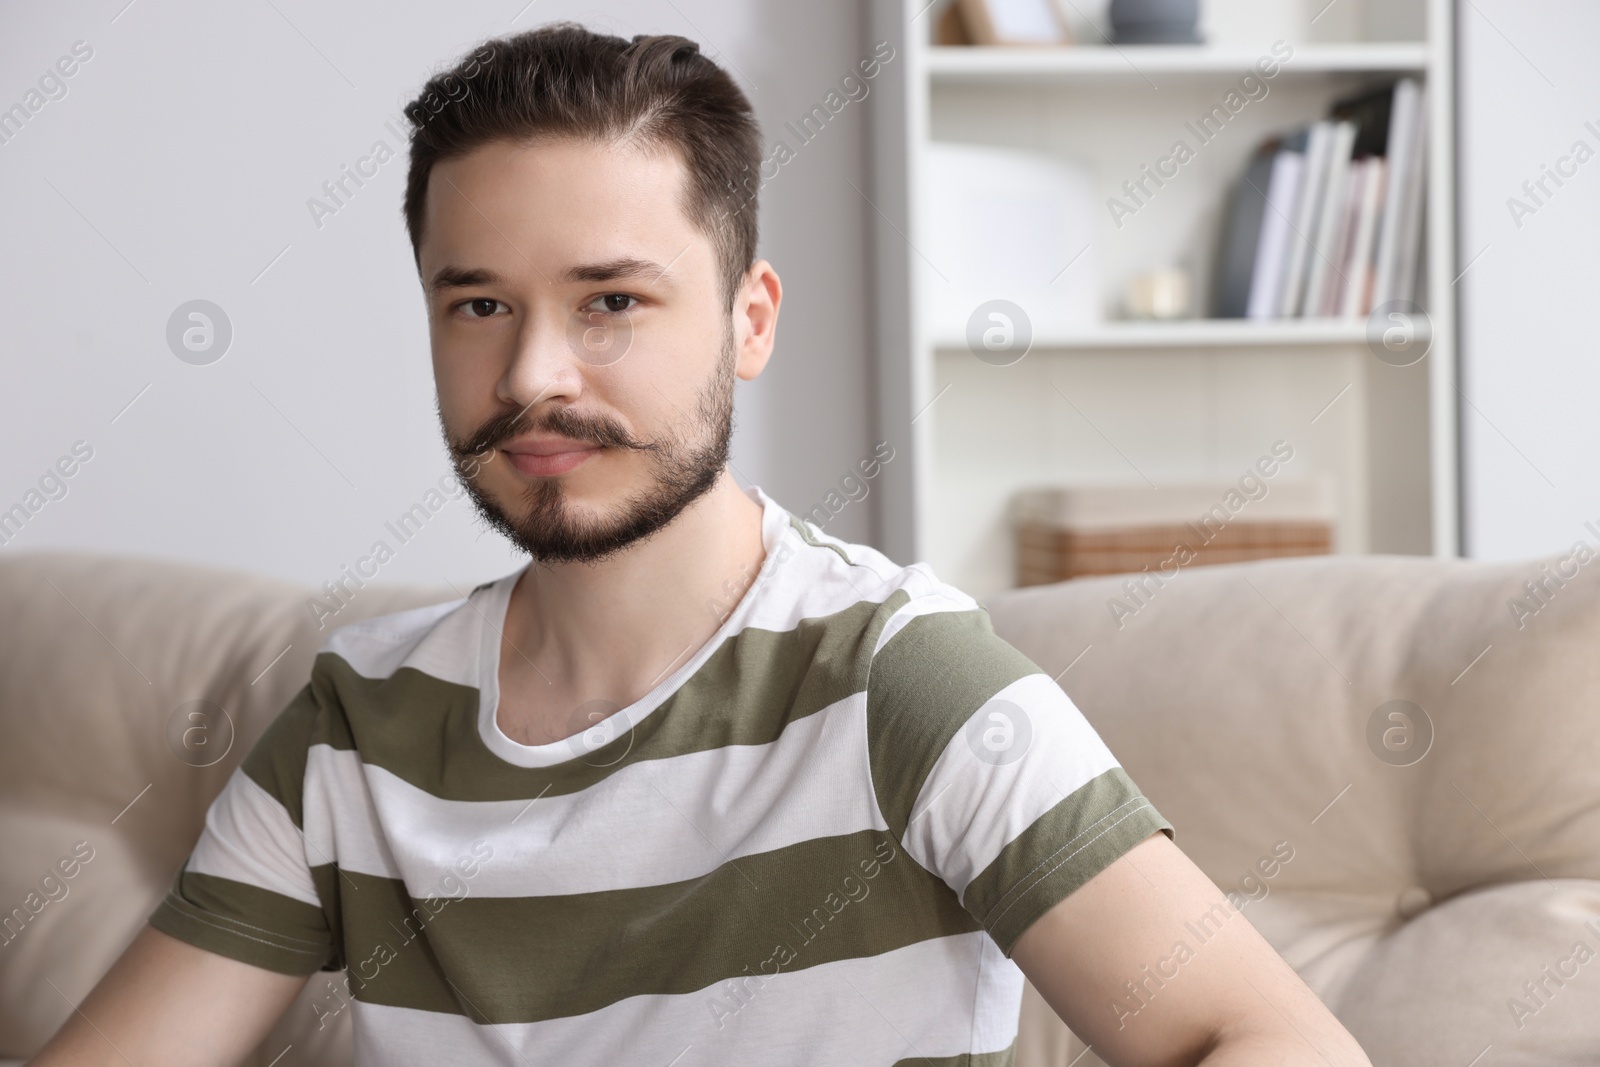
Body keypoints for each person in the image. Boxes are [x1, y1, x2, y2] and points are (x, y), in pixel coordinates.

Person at [28, 22, 1372, 1067]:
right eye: (479, 303)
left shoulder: (901, 683)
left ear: (749, 321)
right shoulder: (349, 736)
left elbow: (1275, 1037)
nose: (533, 374)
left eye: (611, 301)